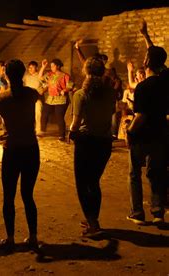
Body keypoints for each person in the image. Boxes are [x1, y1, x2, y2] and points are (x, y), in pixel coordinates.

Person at [0, 59, 41, 251]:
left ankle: (10, 238)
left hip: (12, 150)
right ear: (23, 74)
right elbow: (42, 97)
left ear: (5, 75)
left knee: (9, 196)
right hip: (31, 148)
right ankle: (33, 237)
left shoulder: (2, 98)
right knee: (28, 195)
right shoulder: (31, 94)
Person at [126, 20, 167, 225]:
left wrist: (129, 132)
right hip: (161, 133)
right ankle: (158, 211)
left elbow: (140, 116)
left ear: (147, 63)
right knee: (157, 172)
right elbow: (156, 54)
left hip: (143, 136)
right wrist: (145, 35)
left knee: (135, 172)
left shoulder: (143, 87)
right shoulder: (167, 81)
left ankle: (137, 213)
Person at [69, 57, 116, 236]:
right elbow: (110, 113)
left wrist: (71, 133)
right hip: (104, 141)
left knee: (82, 183)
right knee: (94, 182)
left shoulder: (81, 94)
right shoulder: (110, 92)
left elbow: (76, 122)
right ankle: (92, 218)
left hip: (86, 141)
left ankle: (93, 224)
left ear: (86, 71)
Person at [39, 58, 72, 141]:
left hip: (61, 99)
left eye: (53, 66)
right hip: (51, 98)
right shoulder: (50, 75)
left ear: (58, 66)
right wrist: (43, 67)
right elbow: (40, 78)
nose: (51, 67)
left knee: (59, 116)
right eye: (51, 66)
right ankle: (42, 131)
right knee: (44, 113)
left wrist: (64, 90)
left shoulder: (65, 76)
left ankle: (62, 135)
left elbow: (70, 86)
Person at [23, 61, 44, 134]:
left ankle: (38, 130)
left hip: (37, 98)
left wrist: (42, 90)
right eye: (29, 67)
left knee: (38, 114)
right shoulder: (26, 77)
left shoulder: (40, 76)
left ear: (36, 68)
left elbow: (46, 85)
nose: (30, 69)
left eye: (32, 67)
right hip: (28, 99)